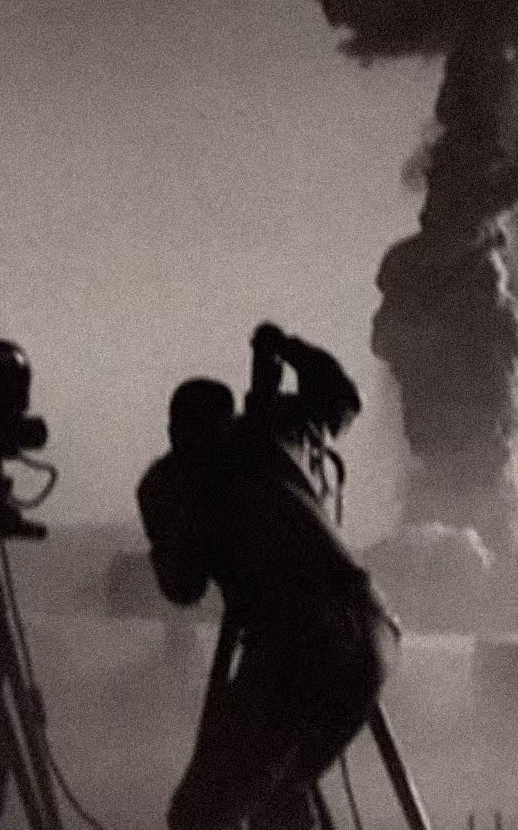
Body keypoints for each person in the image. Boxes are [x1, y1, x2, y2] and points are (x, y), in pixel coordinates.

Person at [138, 322, 398, 830]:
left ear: (173, 432)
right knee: (278, 796)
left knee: (204, 812)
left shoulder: (173, 481)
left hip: (298, 641)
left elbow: (182, 588)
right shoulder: (271, 431)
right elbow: (342, 396)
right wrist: (288, 348)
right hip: (369, 632)